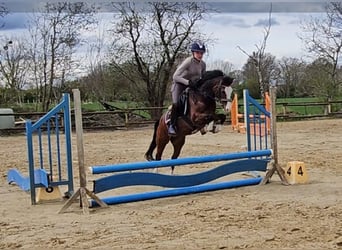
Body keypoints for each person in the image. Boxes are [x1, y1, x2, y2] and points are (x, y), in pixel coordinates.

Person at [168, 41, 207, 136]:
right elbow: (175, 76)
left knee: (202, 100)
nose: (200, 55)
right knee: (176, 103)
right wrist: (187, 82)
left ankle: (201, 123)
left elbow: (203, 78)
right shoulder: (188, 61)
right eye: (198, 52)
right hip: (179, 84)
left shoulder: (203, 64)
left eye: (201, 53)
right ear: (193, 52)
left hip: (191, 85)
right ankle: (172, 126)